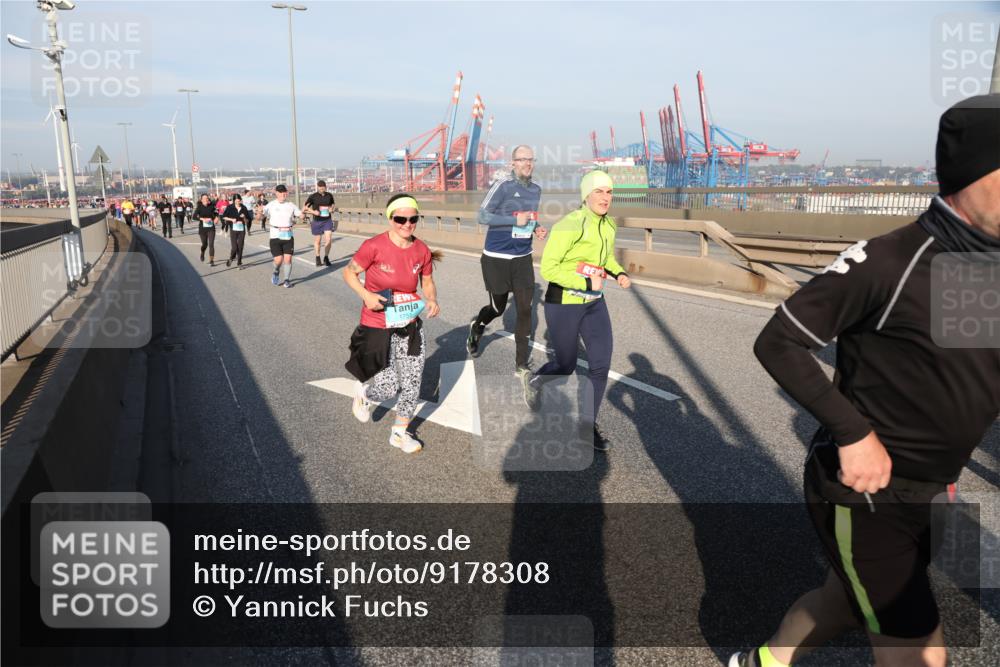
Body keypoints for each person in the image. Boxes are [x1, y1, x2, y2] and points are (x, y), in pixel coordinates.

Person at [732, 95, 1000, 667]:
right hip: (864, 491)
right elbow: (779, 341)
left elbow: (964, 375)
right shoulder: (890, 260)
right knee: (921, 654)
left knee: (844, 604)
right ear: (971, 173)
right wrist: (853, 433)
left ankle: (762, 662)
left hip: (932, 488)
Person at [522, 170, 630, 452]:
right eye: (599, 192)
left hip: (594, 302)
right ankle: (535, 380)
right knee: (567, 365)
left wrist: (618, 273)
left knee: (600, 365)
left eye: (609, 192)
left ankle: (585, 427)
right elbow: (549, 268)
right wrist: (584, 281)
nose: (605, 198)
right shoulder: (570, 224)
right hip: (564, 304)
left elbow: (605, 258)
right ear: (586, 195)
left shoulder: (609, 226)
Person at [343, 193, 441, 454]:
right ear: (390, 218)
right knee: (387, 388)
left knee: (412, 382)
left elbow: (427, 281)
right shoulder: (373, 246)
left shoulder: (421, 250)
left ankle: (400, 433)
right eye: (400, 219)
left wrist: (431, 299)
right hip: (377, 324)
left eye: (413, 219)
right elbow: (349, 272)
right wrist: (366, 295)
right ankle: (365, 395)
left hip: (409, 324)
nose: (407, 224)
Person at [465, 145, 546, 378]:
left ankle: (521, 365)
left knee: (524, 309)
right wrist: (513, 220)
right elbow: (481, 216)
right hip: (496, 258)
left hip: (522, 258)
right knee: (497, 308)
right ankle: (478, 325)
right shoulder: (502, 186)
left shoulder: (536, 190)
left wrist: (537, 228)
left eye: (531, 159)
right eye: (522, 160)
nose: (527, 164)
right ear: (513, 163)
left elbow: (528, 220)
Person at [262, 184, 302, 288]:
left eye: (284, 192)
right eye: (280, 192)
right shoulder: (271, 205)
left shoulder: (291, 205)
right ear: (276, 193)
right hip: (275, 235)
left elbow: (300, 214)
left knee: (288, 259)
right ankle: (275, 272)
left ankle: (286, 280)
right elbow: (261, 215)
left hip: (288, 236)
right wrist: (258, 212)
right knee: (278, 260)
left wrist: (303, 213)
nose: (283, 194)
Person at [303, 179, 338, 267]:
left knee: (329, 239)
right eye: (320, 187)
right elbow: (305, 207)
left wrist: (332, 209)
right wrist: (313, 211)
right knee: (318, 241)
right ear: (317, 187)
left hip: (327, 220)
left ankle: (326, 257)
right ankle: (317, 257)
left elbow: (333, 204)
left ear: (325, 187)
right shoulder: (313, 196)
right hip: (317, 221)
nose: (322, 189)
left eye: (323, 187)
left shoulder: (329, 195)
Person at [224, 194, 253, 269]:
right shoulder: (230, 207)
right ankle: (231, 258)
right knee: (234, 247)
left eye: (239, 200)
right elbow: (224, 217)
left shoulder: (244, 208)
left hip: (241, 229)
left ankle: (239, 263)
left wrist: (244, 217)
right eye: (236, 200)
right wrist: (232, 219)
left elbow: (248, 220)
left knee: (240, 247)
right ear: (234, 200)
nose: (238, 201)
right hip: (233, 229)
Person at [194, 193, 218, 266]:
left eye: (207, 198)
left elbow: (216, 213)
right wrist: (202, 219)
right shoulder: (199, 207)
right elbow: (194, 217)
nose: (206, 199)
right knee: (205, 244)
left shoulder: (212, 206)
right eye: (204, 198)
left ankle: (211, 260)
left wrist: (217, 218)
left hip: (211, 228)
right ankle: (202, 252)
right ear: (201, 200)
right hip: (202, 228)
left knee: (211, 244)